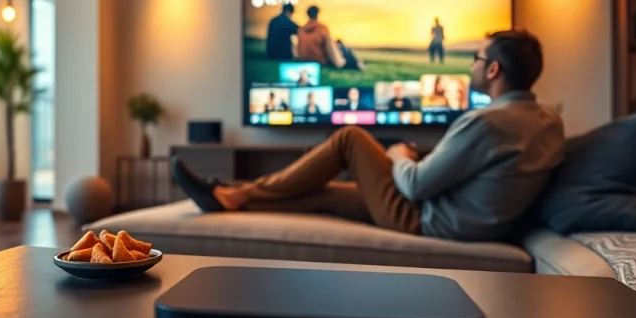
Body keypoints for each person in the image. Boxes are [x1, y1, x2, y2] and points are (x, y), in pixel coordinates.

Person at [172, 28, 565, 243]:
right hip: (465, 217)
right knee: (327, 195)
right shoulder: (547, 121)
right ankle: (230, 197)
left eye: (478, 58)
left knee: (350, 138)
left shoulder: (487, 123)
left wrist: (400, 155)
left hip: (428, 221)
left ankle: (236, 192)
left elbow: (414, 187)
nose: (473, 64)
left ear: (493, 71)